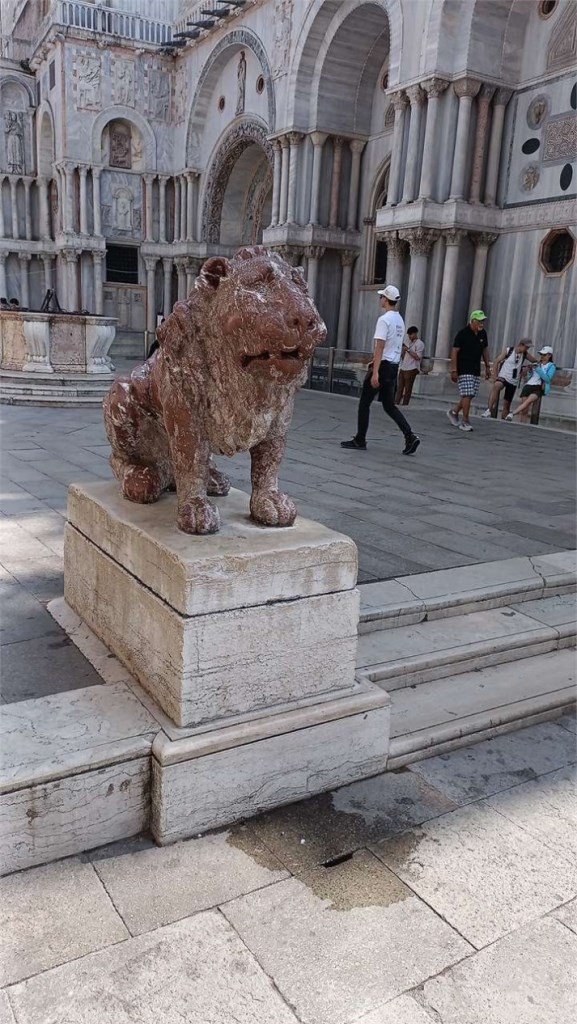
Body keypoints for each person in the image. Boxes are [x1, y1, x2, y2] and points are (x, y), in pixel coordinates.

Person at [341, 285, 420, 455]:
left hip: (383, 366)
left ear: (386, 299)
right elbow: (395, 346)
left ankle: (360, 439)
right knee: (389, 405)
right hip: (392, 367)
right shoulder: (399, 320)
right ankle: (410, 435)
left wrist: (375, 371)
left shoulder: (384, 320)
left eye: (381, 297)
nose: (380, 299)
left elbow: (380, 346)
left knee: (364, 403)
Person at [447, 310, 491, 432]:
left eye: (483, 321)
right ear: (473, 321)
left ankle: (454, 412)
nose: (482, 323)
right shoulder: (463, 333)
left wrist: (487, 366)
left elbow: (485, 350)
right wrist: (454, 370)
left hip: (476, 368)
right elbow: (454, 351)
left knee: (470, 394)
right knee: (467, 393)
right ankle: (465, 421)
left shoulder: (483, 334)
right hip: (463, 367)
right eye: (479, 321)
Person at [482, 338, 535, 420]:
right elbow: (496, 361)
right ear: (521, 345)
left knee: (507, 404)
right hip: (503, 376)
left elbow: (535, 361)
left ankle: (503, 421)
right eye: (526, 347)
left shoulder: (525, 354)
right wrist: (495, 376)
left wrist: (528, 367)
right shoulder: (509, 350)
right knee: (497, 385)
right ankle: (488, 410)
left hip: (513, 381)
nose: (527, 349)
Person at [506, 346, 556, 421]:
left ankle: (512, 413)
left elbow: (548, 379)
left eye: (544, 355)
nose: (542, 356)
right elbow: (530, 376)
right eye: (541, 354)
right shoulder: (537, 363)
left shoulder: (551, 366)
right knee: (524, 410)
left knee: (527, 402)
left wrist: (538, 369)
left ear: (549, 355)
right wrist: (529, 371)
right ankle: (521, 425)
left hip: (538, 387)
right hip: (528, 385)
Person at [395, 326, 424, 406]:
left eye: (411, 334)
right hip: (403, 367)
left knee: (408, 388)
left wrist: (408, 350)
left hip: (412, 368)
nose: (409, 336)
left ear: (415, 333)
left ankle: (405, 404)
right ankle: (396, 403)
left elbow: (418, 357)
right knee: (399, 387)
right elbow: (403, 355)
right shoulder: (407, 341)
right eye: (408, 335)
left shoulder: (420, 343)